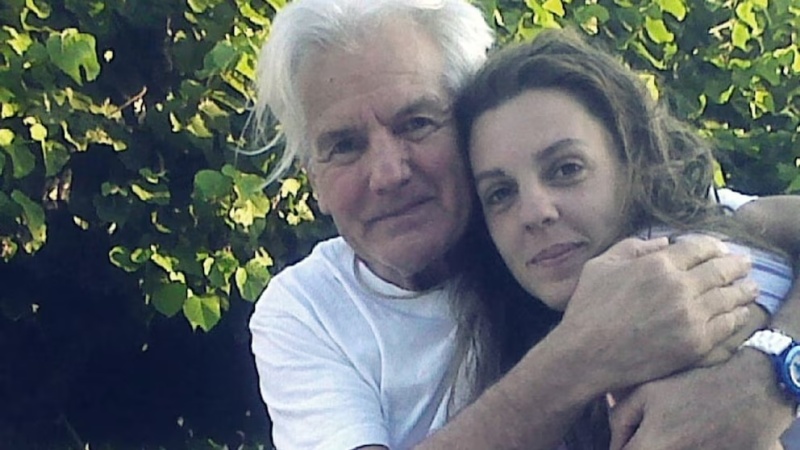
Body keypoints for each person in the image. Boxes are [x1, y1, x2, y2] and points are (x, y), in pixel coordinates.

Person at [247, 0, 800, 448]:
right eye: (344, 145)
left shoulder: (619, 243)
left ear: (468, 128)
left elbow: (758, 227)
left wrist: (767, 374)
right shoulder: (306, 311)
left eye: (416, 122)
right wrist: (584, 353)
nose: (389, 173)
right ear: (313, 179)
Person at [453, 28, 796, 449]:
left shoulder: (687, 297)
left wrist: (773, 370)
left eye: (567, 169)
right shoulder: (515, 329)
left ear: (630, 161)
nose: (536, 212)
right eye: (500, 193)